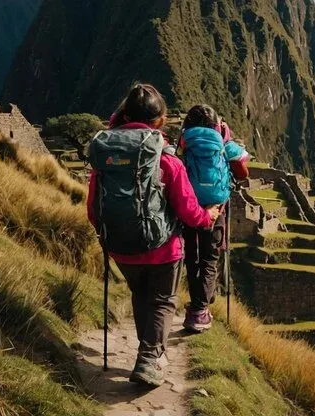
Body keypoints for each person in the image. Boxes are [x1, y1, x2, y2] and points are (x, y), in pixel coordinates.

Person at [87, 84, 220, 387]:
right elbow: (188, 211)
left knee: (140, 295)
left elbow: (93, 209)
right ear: (159, 120)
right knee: (162, 301)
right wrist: (208, 216)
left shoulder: (105, 157)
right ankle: (149, 359)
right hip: (162, 250)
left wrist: (108, 232)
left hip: (121, 247)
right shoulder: (165, 160)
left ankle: (148, 351)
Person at [177, 104, 249, 332]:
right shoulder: (224, 143)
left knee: (191, 254)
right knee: (210, 257)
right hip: (216, 207)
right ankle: (199, 310)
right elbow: (242, 170)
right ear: (216, 124)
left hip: (189, 204)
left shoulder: (185, 140)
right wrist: (226, 137)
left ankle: (199, 302)